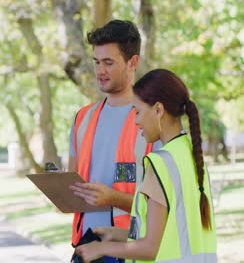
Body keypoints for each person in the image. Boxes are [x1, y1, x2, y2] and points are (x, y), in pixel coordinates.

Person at [74, 69, 217, 262]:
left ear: (158, 110)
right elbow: (169, 236)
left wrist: (99, 248)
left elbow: (150, 249)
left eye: (138, 112)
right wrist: (118, 234)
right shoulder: (190, 156)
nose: (136, 121)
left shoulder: (160, 164)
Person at [68, 20, 154, 263]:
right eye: (96, 62)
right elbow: (73, 179)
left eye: (108, 63)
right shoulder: (82, 118)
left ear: (133, 62)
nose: (100, 71)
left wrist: (113, 198)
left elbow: (163, 203)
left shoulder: (152, 119)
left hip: (132, 248)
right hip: (86, 246)